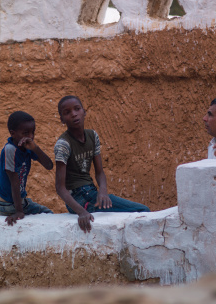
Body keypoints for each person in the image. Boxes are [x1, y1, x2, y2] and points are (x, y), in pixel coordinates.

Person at [54, 95, 150, 233]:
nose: (74, 114)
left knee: (137, 212)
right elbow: (60, 188)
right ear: (62, 119)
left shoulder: (92, 136)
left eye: (77, 109)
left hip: (92, 193)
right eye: (67, 112)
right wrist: (81, 212)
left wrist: (103, 191)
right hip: (78, 199)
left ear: (84, 111)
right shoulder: (63, 144)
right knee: (143, 210)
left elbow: (99, 172)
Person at [0, 111, 54, 226]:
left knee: (47, 216)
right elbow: (14, 182)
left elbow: (49, 166)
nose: (31, 137)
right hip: (7, 204)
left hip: (18, 202)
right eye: (26, 133)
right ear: (13, 134)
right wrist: (19, 211)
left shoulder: (27, 148)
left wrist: (35, 148)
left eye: (33, 133)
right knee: (48, 214)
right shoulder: (10, 150)